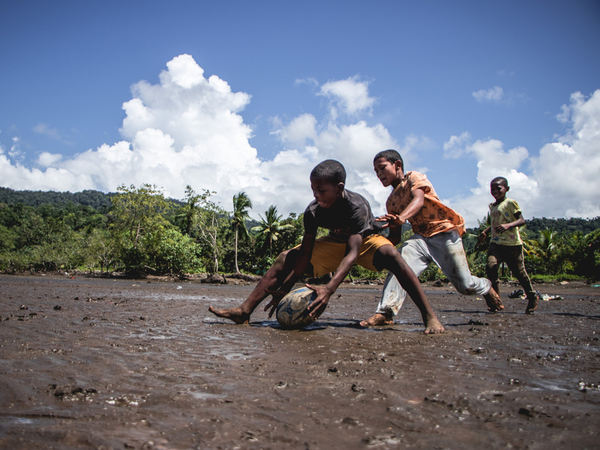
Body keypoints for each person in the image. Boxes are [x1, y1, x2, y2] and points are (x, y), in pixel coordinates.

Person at [209, 159, 444, 334]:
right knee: (285, 258)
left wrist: (329, 288)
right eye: (313, 190)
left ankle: (429, 316)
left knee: (392, 254)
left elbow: (353, 252)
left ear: (340, 187)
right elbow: (305, 255)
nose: (316, 195)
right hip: (334, 243)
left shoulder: (357, 206)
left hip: (364, 241)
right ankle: (244, 311)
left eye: (322, 190)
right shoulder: (312, 212)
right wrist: (287, 286)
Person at [360, 150, 504, 327]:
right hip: (420, 239)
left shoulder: (414, 178)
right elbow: (395, 237)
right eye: (375, 171)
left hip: (443, 233)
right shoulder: (391, 202)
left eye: (382, 168)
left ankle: (486, 287)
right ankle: (385, 312)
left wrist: (402, 218)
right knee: (399, 263)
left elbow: (418, 200)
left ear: (397, 165)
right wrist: (376, 247)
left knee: (465, 285)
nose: (378, 174)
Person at [478, 176, 539, 314]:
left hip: (512, 245)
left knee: (520, 273)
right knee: (490, 267)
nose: (495, 191)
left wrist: (508, 225)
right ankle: (496, 301)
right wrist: (486, 232)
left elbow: (522, 220)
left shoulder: (511, 203)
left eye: (498, 188)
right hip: (496, 244)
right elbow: (494, 223)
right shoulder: (492, 206)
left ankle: (532, 296)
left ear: (507, 189)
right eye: (492, 189)